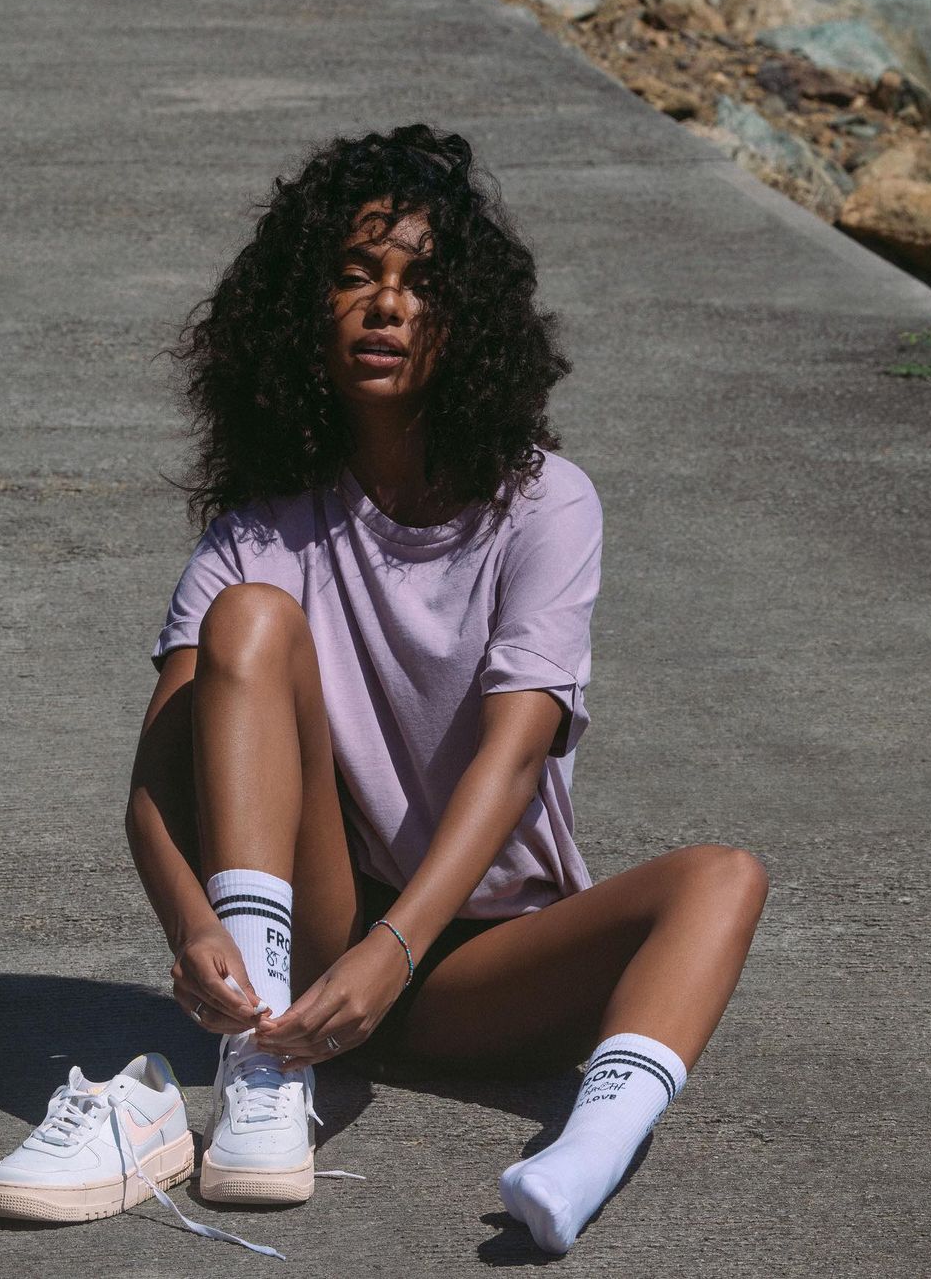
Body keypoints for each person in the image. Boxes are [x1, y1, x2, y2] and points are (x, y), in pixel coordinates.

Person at [125, 122, 769, 1256]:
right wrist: (193, 932)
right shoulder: (253, 539)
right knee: (251, 622)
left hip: (489, 970)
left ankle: (583, 1157)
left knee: (725, 877)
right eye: (353, 276)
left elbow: (514, 757)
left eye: (421, 284)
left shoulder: (545, 504)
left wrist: (399, 952)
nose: (385, 305)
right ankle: (261, 1071)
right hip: (317, 950)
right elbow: (151, 790)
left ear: (467, 325)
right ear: (300, 313)